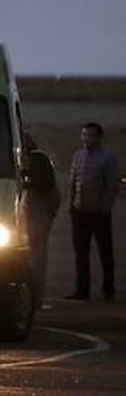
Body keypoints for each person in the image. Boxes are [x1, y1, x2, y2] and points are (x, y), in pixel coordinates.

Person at [66, 123, 119, 301]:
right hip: (80, 210)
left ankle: (108, 289)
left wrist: (106, 207)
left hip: (99, 211)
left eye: (91, 135)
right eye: (85, 135)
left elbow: (112, 184)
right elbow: (73, 181)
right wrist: (71, 204)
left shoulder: (107, 158)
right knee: (81, 252)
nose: (87, 139)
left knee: (105, 251)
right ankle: (82, 289)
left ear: (99, 137)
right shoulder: (78, 156)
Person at [23, 145, 60, 307]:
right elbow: (53, 195)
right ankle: (36, 299)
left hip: (30, 212)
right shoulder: (41, 160)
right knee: (38, 258)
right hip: (39, 213)